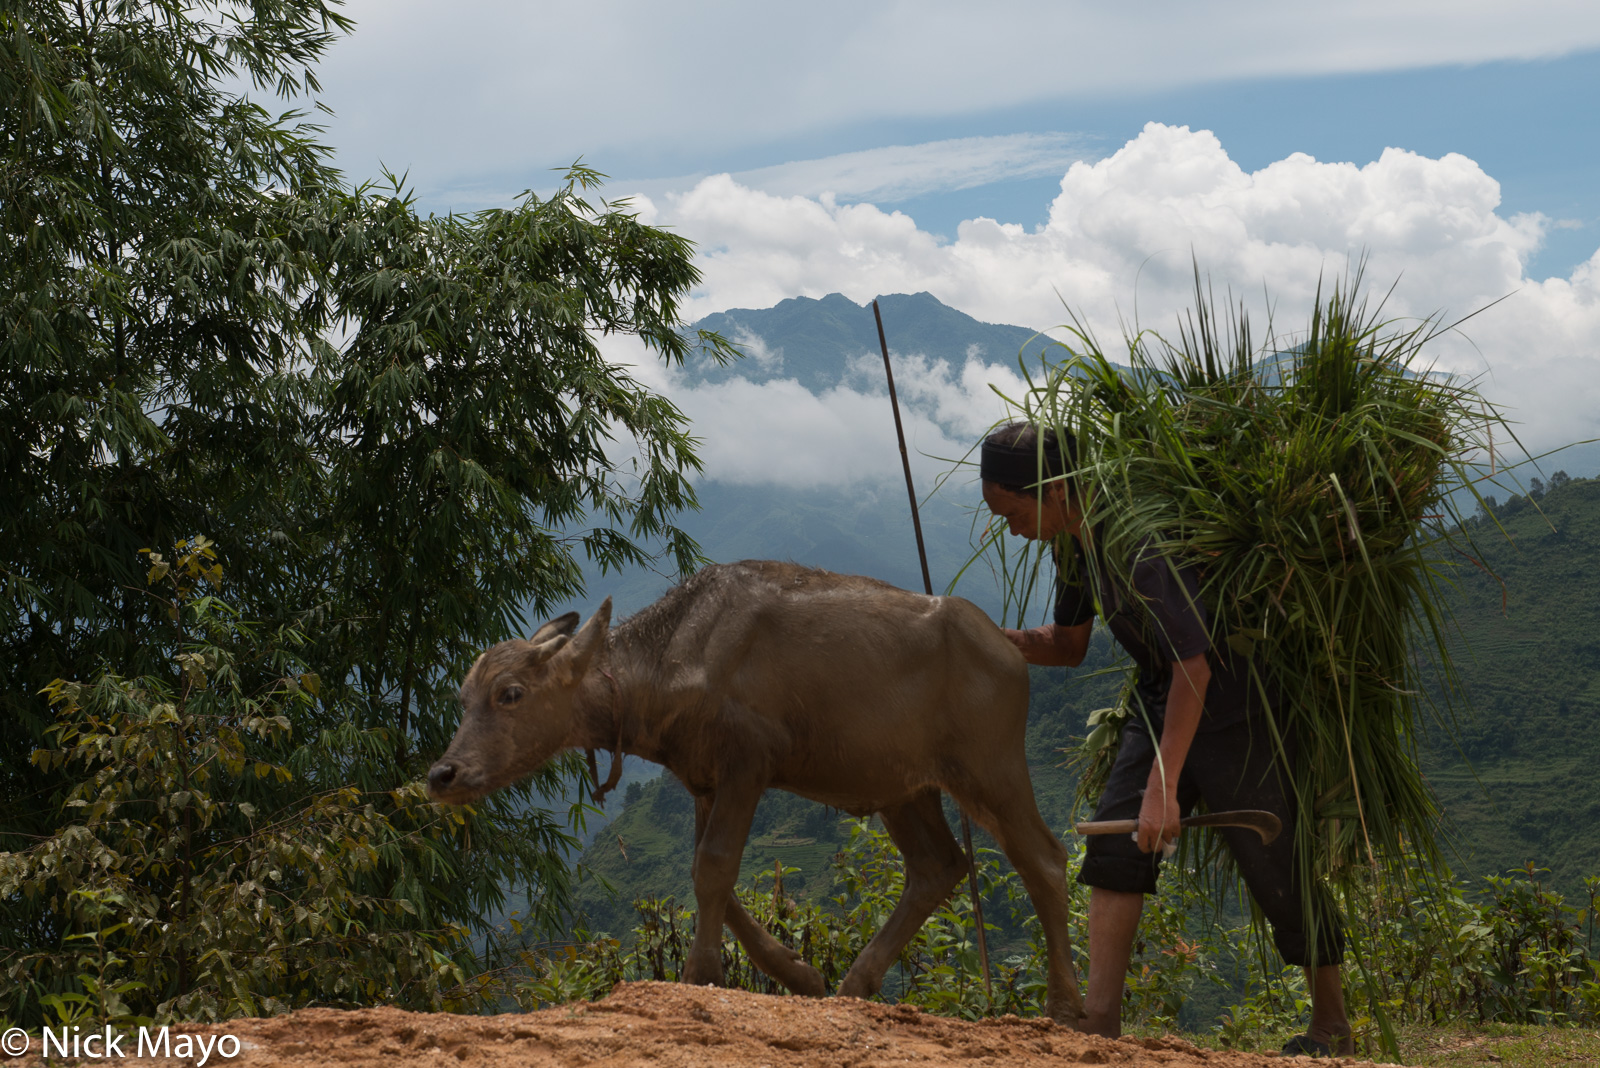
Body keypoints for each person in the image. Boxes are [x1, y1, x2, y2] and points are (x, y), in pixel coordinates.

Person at [979, 421, 1352, 1056]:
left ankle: (1331, 1026)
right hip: (1162, 697)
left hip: (1236, 704)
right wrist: (988, 641)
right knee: (1117, 848)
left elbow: (1195, 665)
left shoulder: (1137, 541)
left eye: (1013, 511)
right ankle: (1099, 1025)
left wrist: (1165, 785)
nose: (1011, 528)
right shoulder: (1075, 543)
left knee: (1274, 858)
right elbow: (1068, 646)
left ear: (1057, 488)